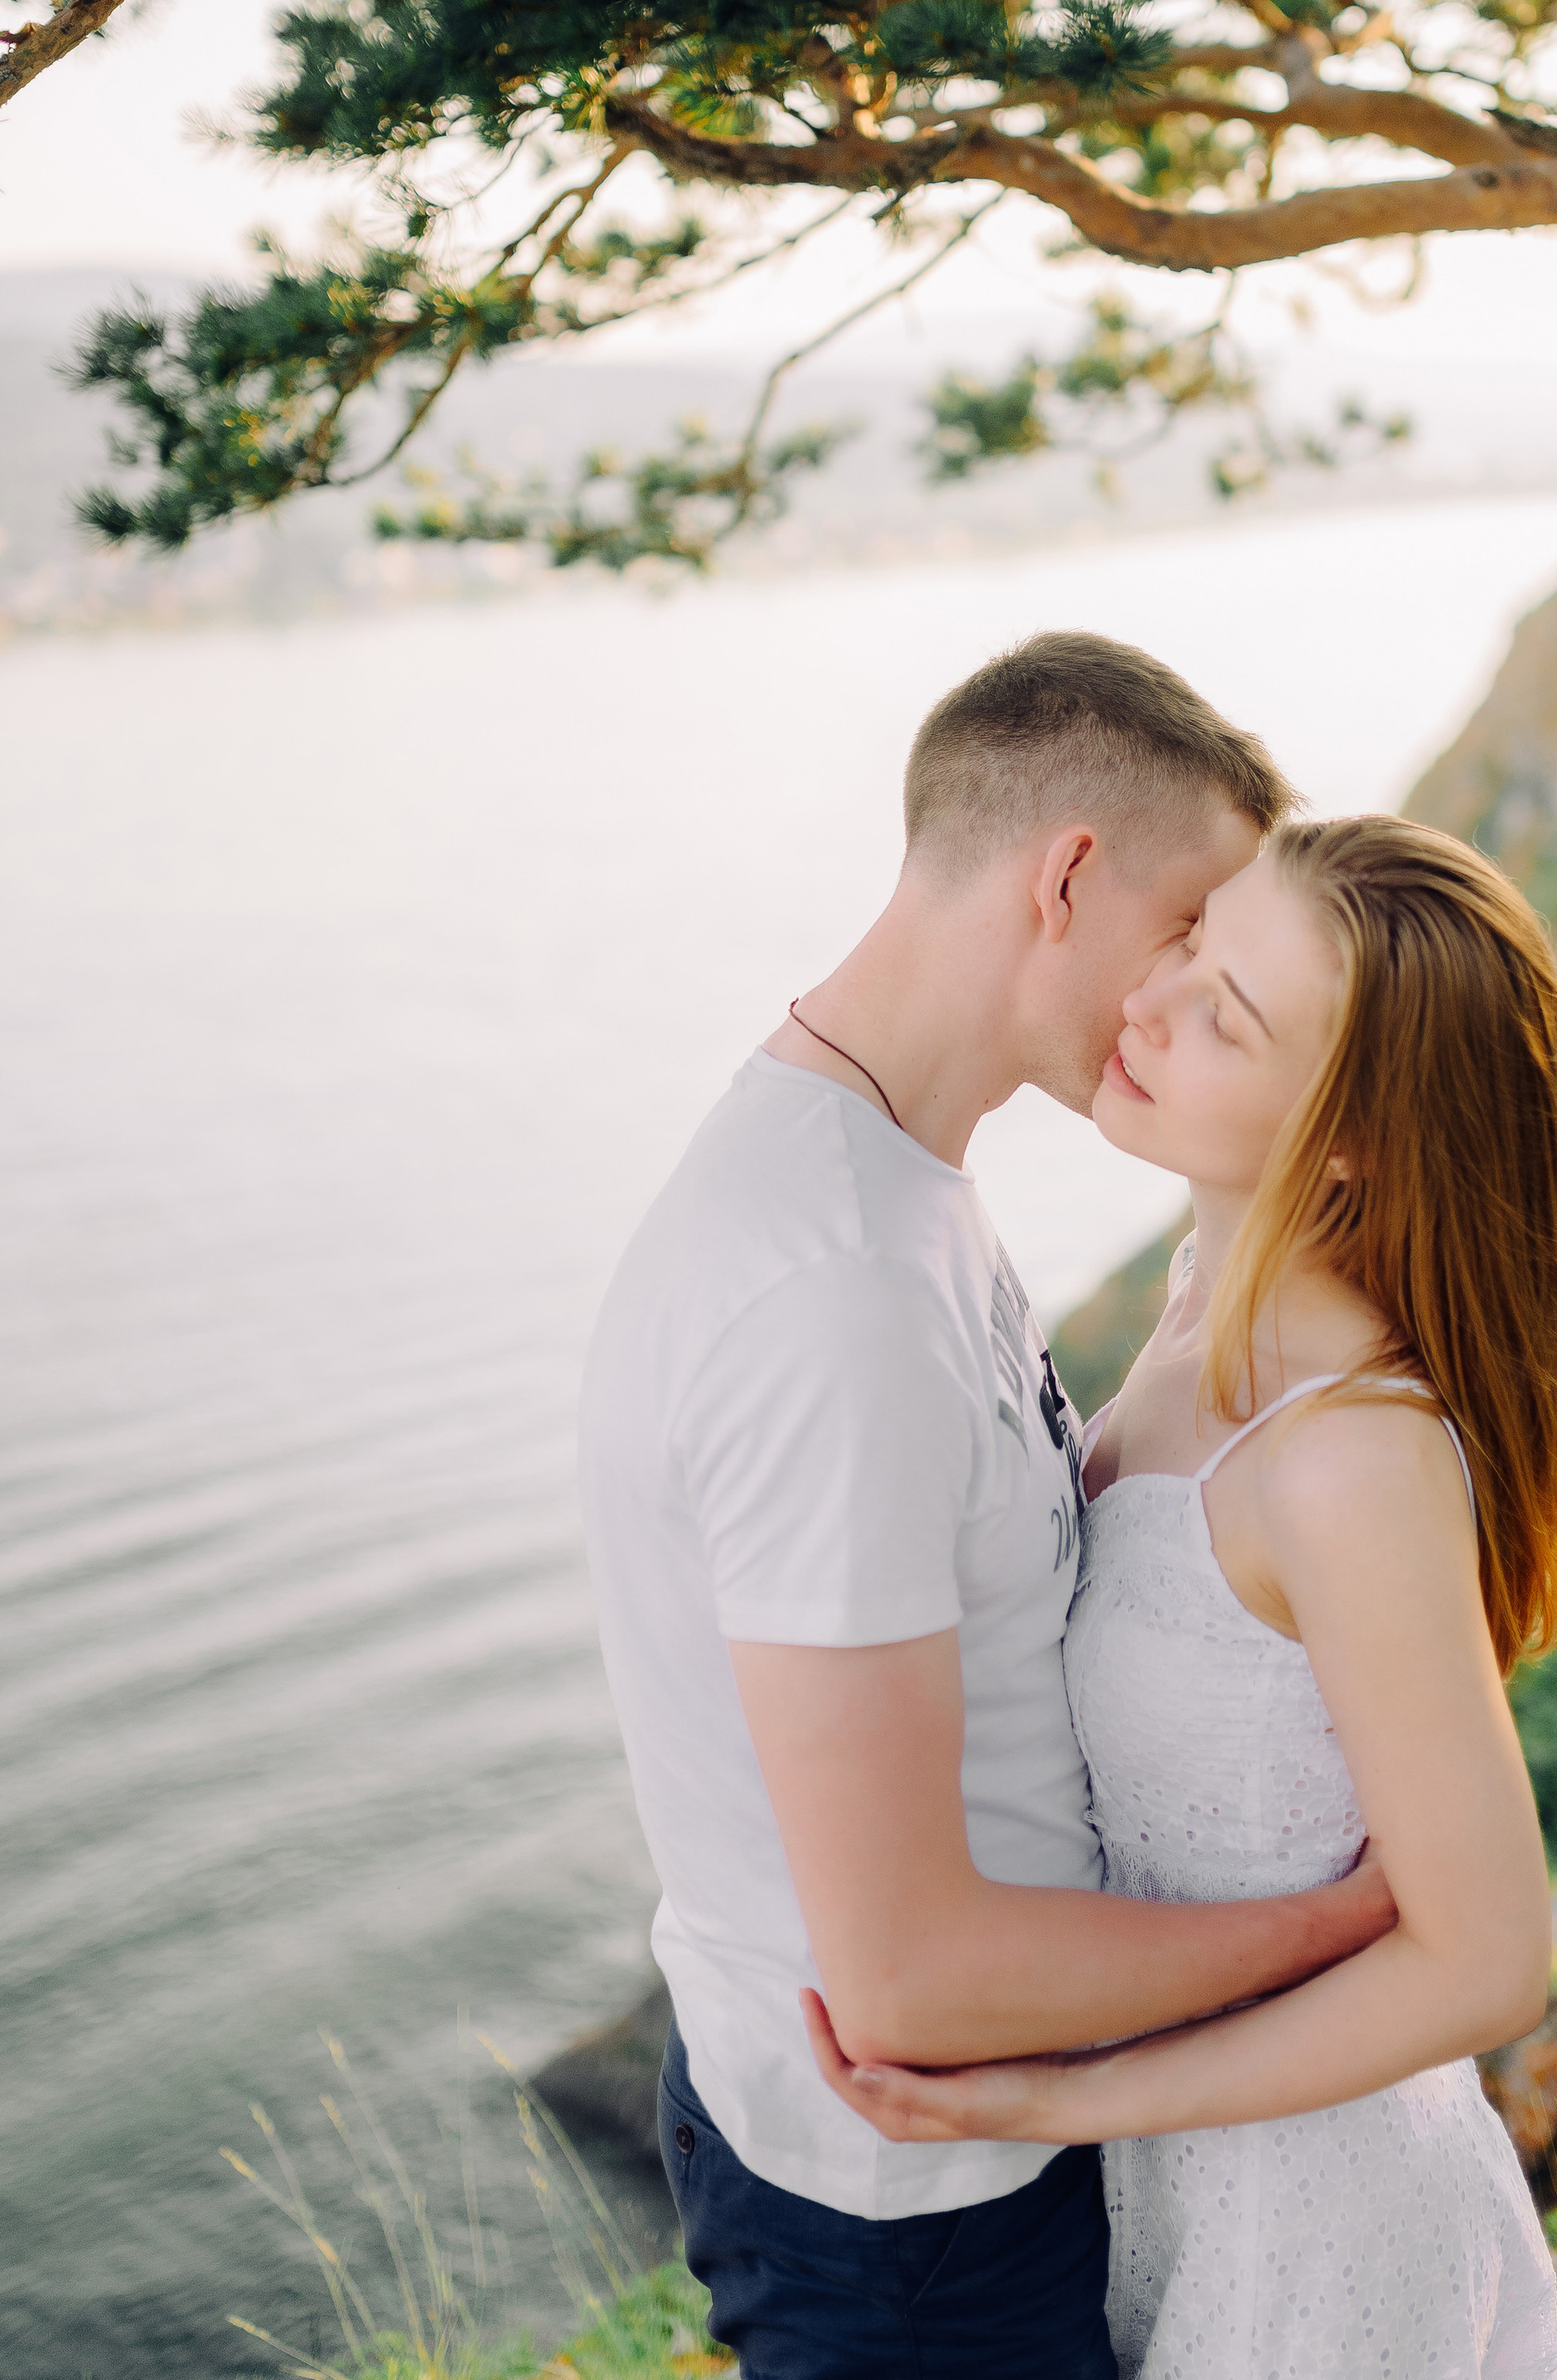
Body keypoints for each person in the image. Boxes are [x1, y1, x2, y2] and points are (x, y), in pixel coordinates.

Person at [578, 637, 1399, 2380]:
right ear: (1068, 874)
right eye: (1186, 927)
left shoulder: (894, 1178)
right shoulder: (832, 1291)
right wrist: (1334, 1923)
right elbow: (911, 1985)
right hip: (907, 2223)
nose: (1186, 987)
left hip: (952, 2160)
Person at [807, 813, 1557, 2379]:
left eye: (1227, 1017)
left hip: (1313, 2228)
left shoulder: (1348, 1459)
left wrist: (1063, 2099)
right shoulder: (1193, 1298)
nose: (1149, 1007)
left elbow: (1491, 1958)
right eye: (1191, 949)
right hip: (1166, 2186)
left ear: (1357, 1137)